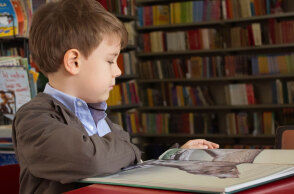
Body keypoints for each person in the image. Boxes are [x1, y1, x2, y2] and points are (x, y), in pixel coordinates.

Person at [12, 0, 219, 193]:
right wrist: (129, 148)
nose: (118, 71)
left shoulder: (97, 113)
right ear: (74, 62)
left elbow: (123, 161)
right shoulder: (33, 118)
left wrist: (174, 156)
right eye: (110, 61)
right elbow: (91, 160)